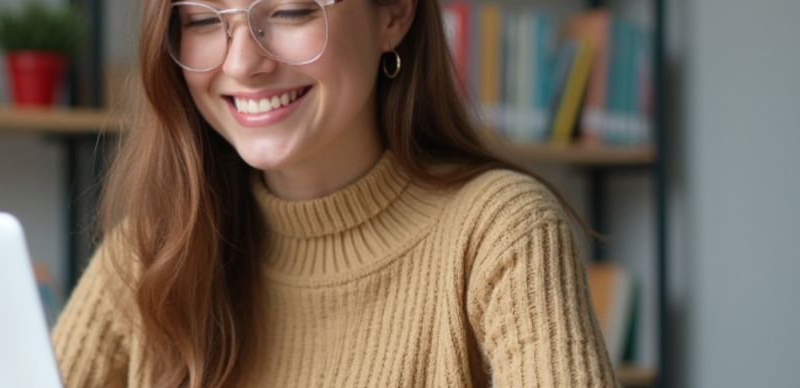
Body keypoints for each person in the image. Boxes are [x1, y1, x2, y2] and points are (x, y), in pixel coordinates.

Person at [53, 0, 617, 386]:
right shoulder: (153, 248)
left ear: (393, 14)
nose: (243, 63)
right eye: (203, 20)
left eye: (293, 10)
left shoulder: (501, 231)